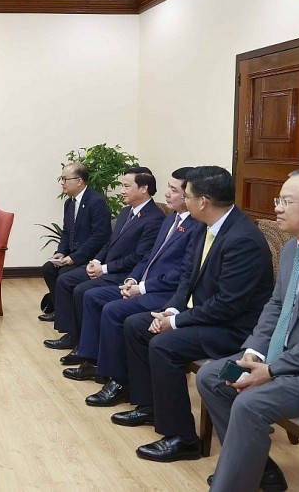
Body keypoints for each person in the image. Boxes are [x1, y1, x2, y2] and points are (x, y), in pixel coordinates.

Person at [198, 168, 299, 492]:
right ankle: (257, 468)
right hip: (289, 361)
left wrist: (270, 370)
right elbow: (275, 306)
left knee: (249, 403)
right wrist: (253, 352)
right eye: (278, 200)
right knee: (212, 377)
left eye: (286, 201)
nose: (277, 208)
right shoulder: (292, 249)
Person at [114, 166, 273, 463]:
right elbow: (188, 276)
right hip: (210, 315)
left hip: (236, 329)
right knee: (138, 324)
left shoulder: (242, 239)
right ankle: (151, 406)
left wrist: (175, 322)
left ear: (204, 201)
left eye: (186, 196)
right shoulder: (206, 225)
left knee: (164, 344)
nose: (181, 201)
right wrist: (171, 309)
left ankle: (183, 438)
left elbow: (228, 305)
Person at [67, 168, 201, 402]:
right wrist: (133, 279)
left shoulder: (195, 227)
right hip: (143, 282)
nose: (167, 195)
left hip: (167, 293)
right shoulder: (170, 219)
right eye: (168, 189)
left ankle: (118, 380)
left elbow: (183, 272)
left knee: (112, 309)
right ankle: (96, 363)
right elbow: (149, 258)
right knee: (95, 297)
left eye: (174, 190)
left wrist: (144, 287)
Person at [44, 167, 165, 350]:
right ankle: (74, 336)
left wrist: (105, 268)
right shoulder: (126, 212)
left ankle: (82, 345)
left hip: (124, 273)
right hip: (107, 266)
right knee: (66, 279)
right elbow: (109, 242)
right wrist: (97, 261)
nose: (122, 190)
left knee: (81, 289)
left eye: (126, 186)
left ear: (143, 188)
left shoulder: (154, 218)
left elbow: (139, 257)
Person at [38, 162, 111, 321]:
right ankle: (60, 311)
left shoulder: (96, 201)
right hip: (72, 253)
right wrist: (61, 252)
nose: (62, 183)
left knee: (64, 274)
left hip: (90, 256)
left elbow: (100, 236)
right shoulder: (69, 202)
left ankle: (69, 319)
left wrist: (74, 258)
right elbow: (66, 231)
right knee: (48, 268)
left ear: (79, 181)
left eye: (65, 179)